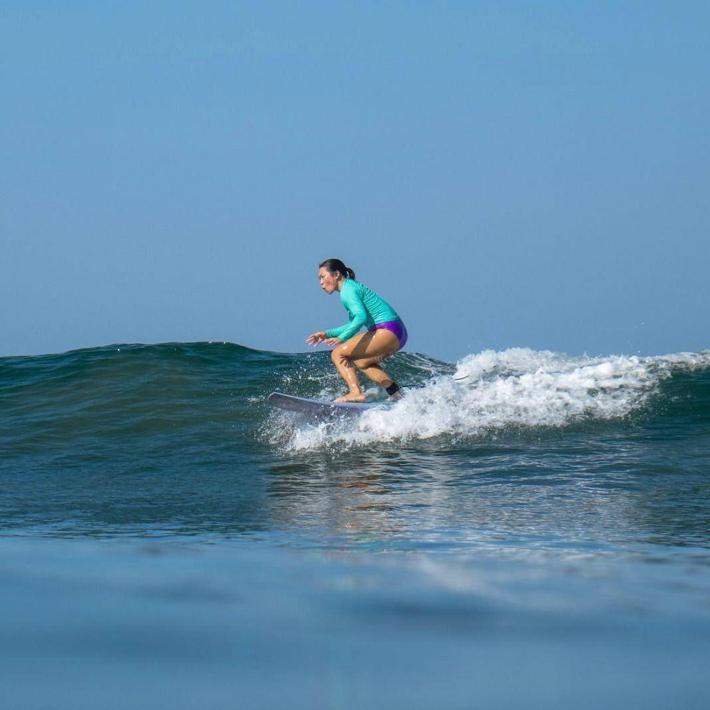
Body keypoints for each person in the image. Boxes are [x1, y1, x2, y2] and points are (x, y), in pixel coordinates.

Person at [306, 259, 408, 402]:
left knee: (338, 353)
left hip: (386, 330)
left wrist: (342, 338)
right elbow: (354, 322)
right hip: (397, 332)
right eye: (319, 279)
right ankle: (396, 393)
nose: (321, 282)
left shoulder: (347, 290)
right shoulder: (350, 287)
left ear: (336, 274)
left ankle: (355, 392)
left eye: (323, 277)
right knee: (362, 362)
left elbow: (360, 317)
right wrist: (326, 334)